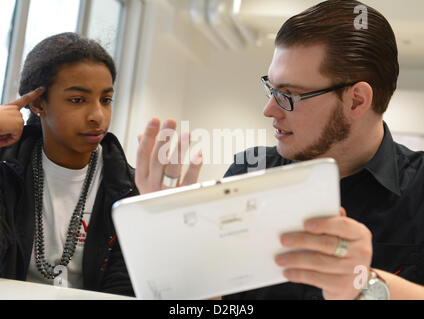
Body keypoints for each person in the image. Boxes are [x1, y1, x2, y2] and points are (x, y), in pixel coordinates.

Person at [136, 0, 424, 300]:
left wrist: (366, 286)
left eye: (289, 94)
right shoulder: (248, 173)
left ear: (356, 101)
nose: (269, 109)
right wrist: (170, 242)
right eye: (271, 89)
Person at [0, 32, 201, 296]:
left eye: (106, 100)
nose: (98, 116)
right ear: (38, 103)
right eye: (77, 100)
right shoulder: (6, 170)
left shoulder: (127, 188)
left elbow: (125, 289)